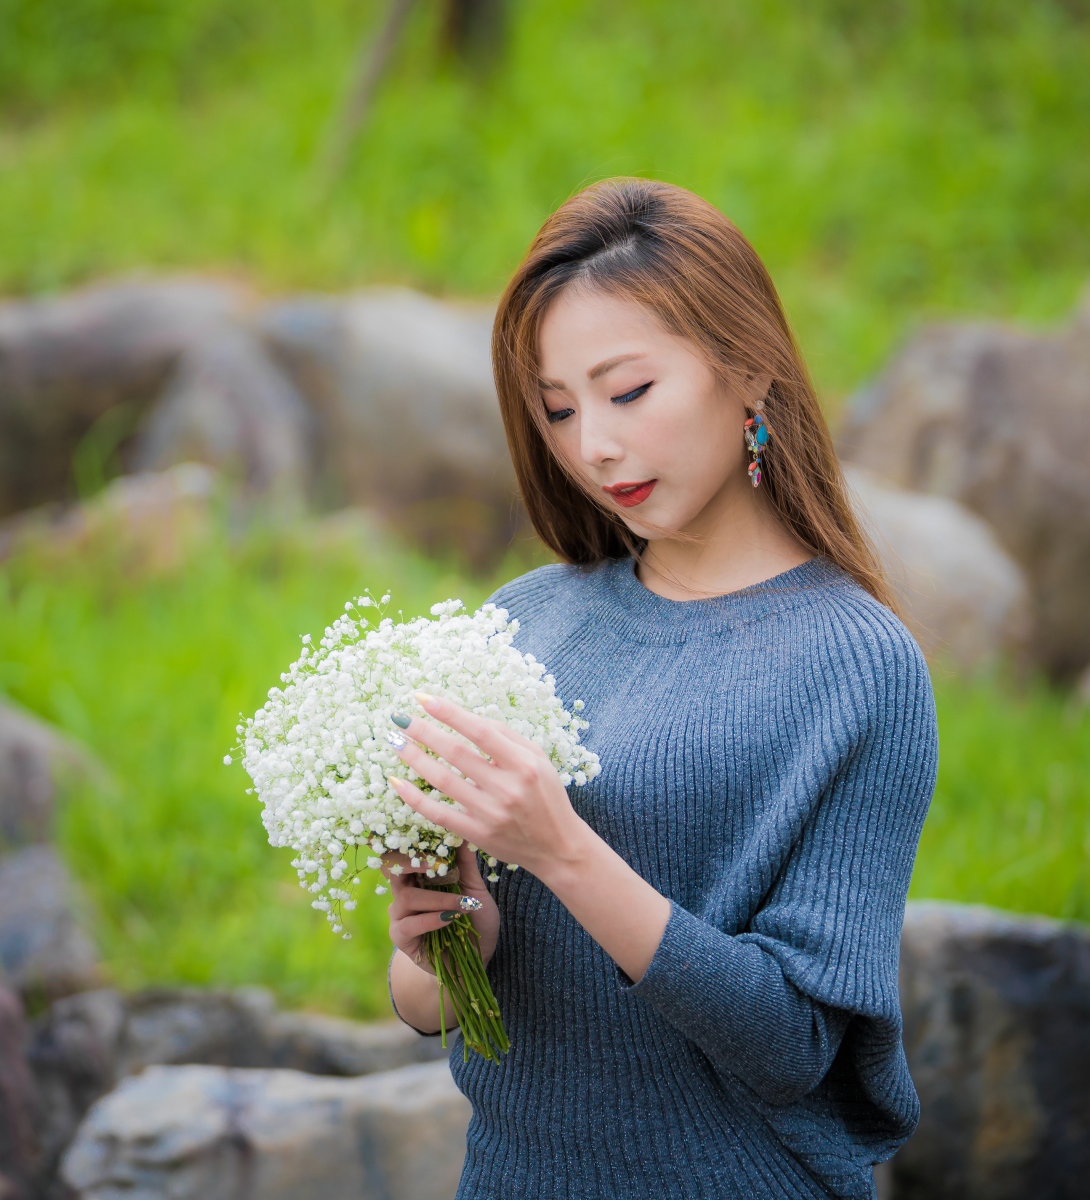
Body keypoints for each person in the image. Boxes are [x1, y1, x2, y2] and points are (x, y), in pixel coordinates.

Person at [379, 177, 937, 1200]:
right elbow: (425, 1009)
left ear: (749, 369)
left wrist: (562, 851)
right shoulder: (524, 622)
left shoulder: (859, 667)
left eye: (628, 392)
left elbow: (794, 1043)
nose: (594, 445)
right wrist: (443, 936)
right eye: (558, 409)